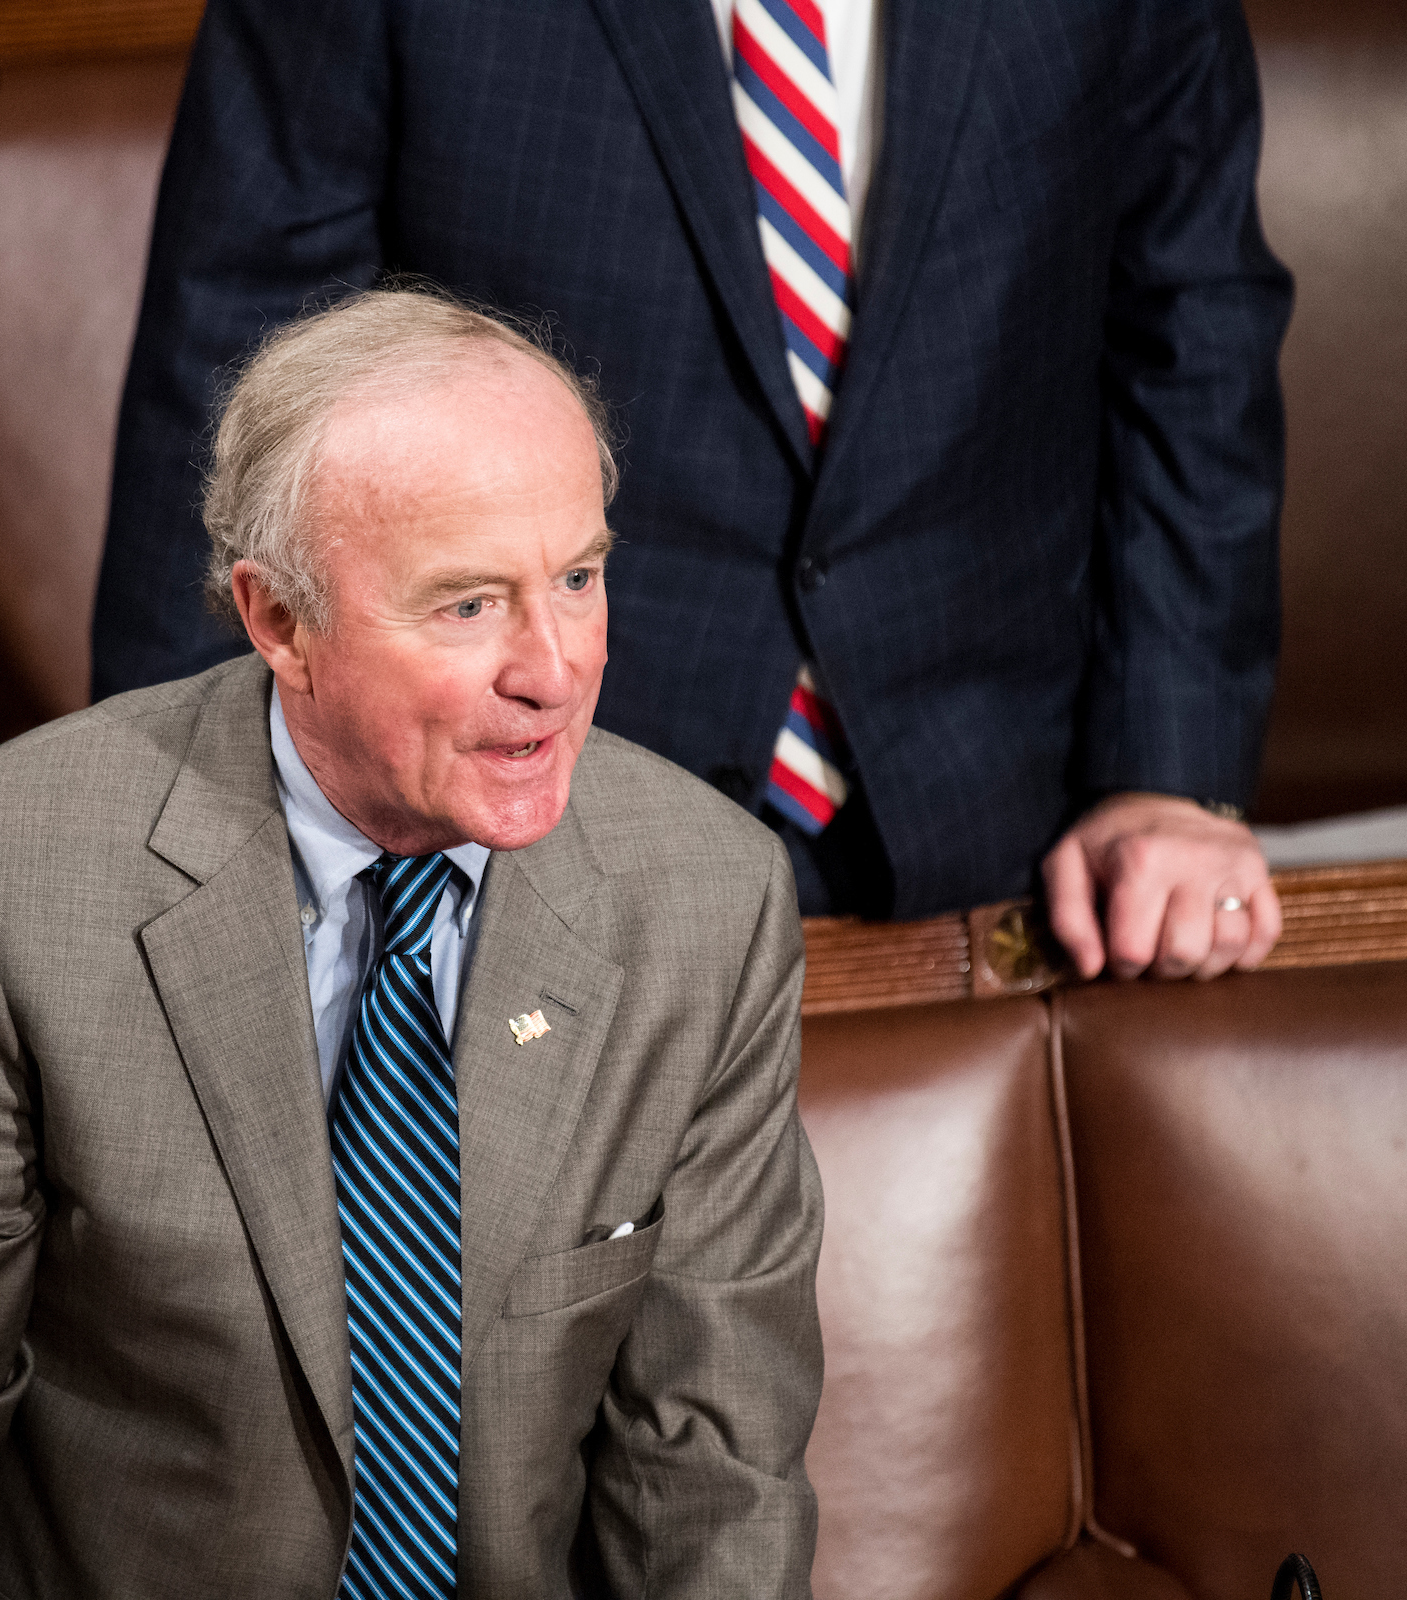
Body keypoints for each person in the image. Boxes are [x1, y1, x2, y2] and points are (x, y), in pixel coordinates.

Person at [0, 290, 824, 1596]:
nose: (554, 669)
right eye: (469, 605)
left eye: (579, 577)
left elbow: (715, 1467)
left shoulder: (708, 897)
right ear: (280, 624)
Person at [96, 0, 1294, 984]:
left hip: (1016, 845)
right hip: (521, 844)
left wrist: (1167, 770)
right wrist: (197, 864)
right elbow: (245, 395)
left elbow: (1191, 328)